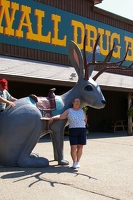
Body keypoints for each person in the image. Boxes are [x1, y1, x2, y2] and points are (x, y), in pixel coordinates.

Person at [49, 97, 87, 169]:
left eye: (78, 101)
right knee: (73, 147)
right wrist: (53, 118)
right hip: (73, 130)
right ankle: (74, 162)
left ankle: (77, 162)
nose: (77, 103)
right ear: (73, 102)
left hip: (82, 130)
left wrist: (83, 126)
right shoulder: (69, 110)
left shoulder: (82, 111)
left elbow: (85, 120)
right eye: (76, 101)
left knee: (80, 147)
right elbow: (61, 116)